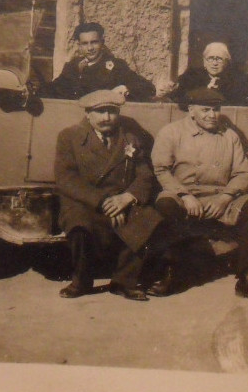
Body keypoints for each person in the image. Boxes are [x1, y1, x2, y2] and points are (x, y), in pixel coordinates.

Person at [150, 88, 248, 305]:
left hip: (220, 195)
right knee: (166, 206)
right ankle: (172, 272)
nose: (212, 115)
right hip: (183, 193)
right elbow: (161, 170)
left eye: (216, 109)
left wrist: (226, 197)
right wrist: (184, 195)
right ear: (191, 111)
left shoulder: (229, 136)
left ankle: (246, 278)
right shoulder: (172, 132)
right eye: (205, 110)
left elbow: (244, 173)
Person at [53, 90, 165, 301]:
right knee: (79, 225)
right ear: (88, 114)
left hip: (121, 199)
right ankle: (81, 281)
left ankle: (124, 282)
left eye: (112, 112)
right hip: (85, 201)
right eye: (100, 112)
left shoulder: (130, 138)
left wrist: (127, 198)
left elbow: (145, 174)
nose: (106, 118)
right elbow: (66, 178)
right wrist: (103, 201)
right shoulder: (69, 137)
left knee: (148, 220)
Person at [41, 22, 157, 101]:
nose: (90, 48)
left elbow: (148, 88)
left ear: (102, 42)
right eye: (85, 43)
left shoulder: (116, 67)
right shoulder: (72, 67)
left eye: (94, 42)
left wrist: (125, 89)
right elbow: (54, 89)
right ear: (79, 46)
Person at [161, 42, 248, 107]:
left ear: (226, 63)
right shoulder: (191, 76)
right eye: (210, 58)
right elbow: (178, 97)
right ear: (204, 62)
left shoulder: (235, 80)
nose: (214, 63)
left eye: (219, 59)